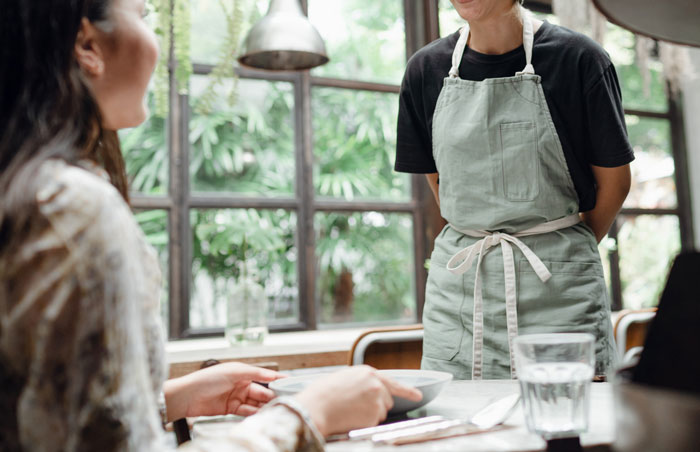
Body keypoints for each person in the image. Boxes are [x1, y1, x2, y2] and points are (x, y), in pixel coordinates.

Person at [0, 0, 422, 451]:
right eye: (143, 15)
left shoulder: (26, 190)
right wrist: (304, 415)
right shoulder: (75, 210)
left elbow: (54, 422)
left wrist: (174, 398)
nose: (155, 41)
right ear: (87, 44)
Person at [395, 0, 633, 380]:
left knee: (564, 423)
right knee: (462, 427)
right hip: (461, 293)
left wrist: (565, 250)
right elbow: (439, 181)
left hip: (559, 290)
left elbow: (615, 183)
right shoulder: (426, 69)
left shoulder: (578, 59)